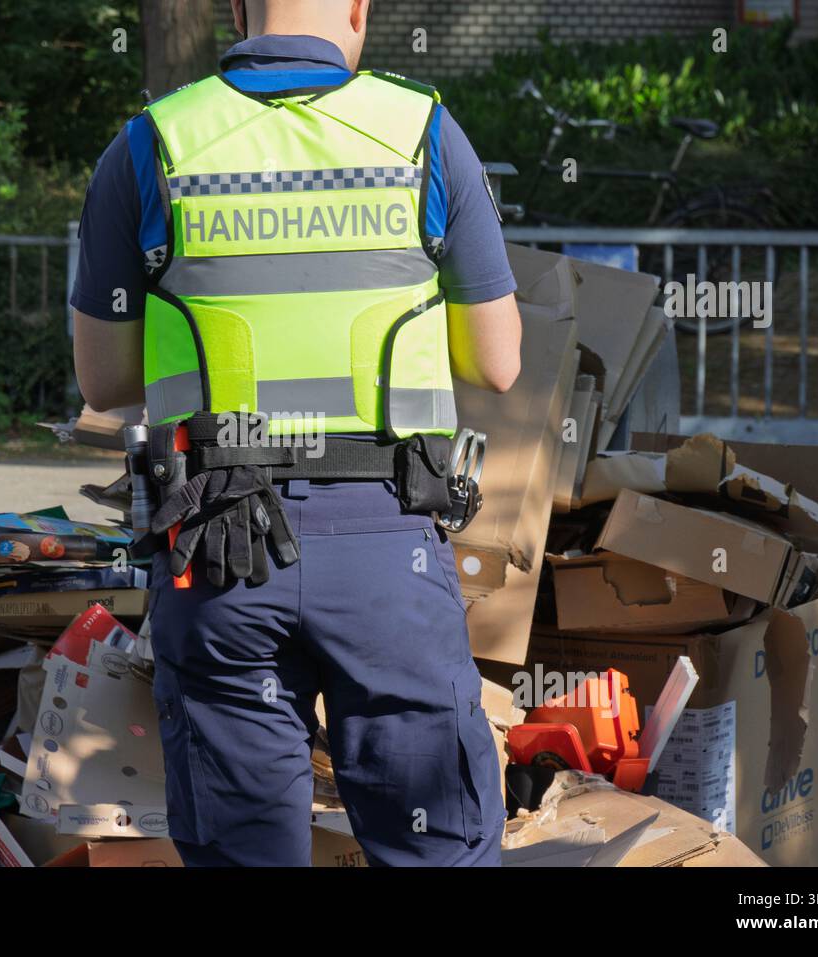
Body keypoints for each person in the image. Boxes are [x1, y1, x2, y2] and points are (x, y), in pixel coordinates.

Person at [71, 0, 522, 866]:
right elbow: (497, 361)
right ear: (358, 7)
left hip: (221, 550)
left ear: (237, 9)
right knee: (437, 845)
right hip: (389, 549)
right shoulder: (422, 132)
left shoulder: (152, 143)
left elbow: (105, 379)